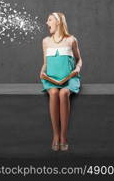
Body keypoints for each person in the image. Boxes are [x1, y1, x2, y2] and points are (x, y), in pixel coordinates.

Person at [39, 12, 82, 152]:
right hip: (51, 78)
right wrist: (42, 72)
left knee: (63, 93)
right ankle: (55, 136)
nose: (47, 22)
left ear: (58, 22)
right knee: (53, 93)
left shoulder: (71, 40)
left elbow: (79, 59)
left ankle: (63, 137)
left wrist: (77, 69)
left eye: (49, 20)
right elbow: (45, 63)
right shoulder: (45, 41)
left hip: (69, 78)